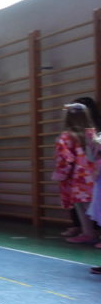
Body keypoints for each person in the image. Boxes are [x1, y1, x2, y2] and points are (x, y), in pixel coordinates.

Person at [54, 103, 96, 244]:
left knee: (82, 206)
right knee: (94, 205)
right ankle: (88, 233)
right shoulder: (93, 134)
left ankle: (88, 233)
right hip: (95, 175)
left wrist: (61, 174)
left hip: (79, 177)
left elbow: (65, 158)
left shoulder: (66, 137)